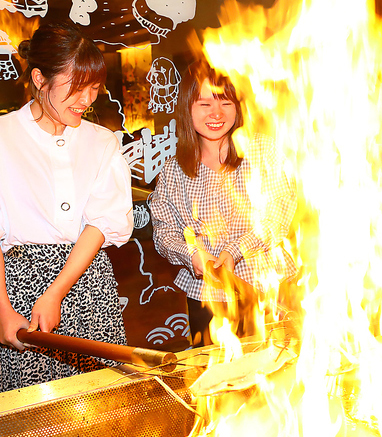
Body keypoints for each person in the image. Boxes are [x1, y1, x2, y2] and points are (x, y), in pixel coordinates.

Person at [0, 22, 134, 392]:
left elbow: (103, 222)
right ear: (40, 79)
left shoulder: (101, 140)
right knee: (30, 409)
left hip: (89, 284)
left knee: (102, 401)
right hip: (17, 291)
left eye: (94, 88)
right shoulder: (4, 137)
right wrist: (3, 311)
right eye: (77, 88)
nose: (87, 100)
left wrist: (57, 290)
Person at [150, 60, 297, 347]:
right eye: (204, 104)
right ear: (187, 109)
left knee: (275, 377)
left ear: (237, 108)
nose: (216, 113)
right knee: (217, 380)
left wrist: (235, 250)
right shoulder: (173, 170)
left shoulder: (262, 151)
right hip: (205, 298)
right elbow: (163, 232)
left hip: (266, 287)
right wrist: (191, 254)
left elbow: (279, 213)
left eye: (225, 102)